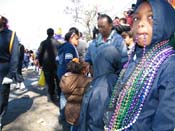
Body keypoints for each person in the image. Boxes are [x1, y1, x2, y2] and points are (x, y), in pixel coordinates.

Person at [104, 0, 175, 131]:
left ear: (166, 21)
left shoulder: (169, 65)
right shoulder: (134, 57)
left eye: (151, 17)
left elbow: (165, 123)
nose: (141, 24)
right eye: (136, 18)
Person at [77, 14, 128, 131]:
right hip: (96, 82)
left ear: (110, 26)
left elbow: (124, 64)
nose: (100, 29)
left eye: (103, 26)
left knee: (104, 115)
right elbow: (88, 59)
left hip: (112, 84)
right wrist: (87, 65)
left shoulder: (118, 41)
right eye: (99, 27)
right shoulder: (94, 43)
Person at [60, 58, 92, 131]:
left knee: (73, 127)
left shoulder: (65, 79)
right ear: (82, 69)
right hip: (81, 110)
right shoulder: (87, 80)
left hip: (69, 109)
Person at [57, 27, 80, 131]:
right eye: (77, 38)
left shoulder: (62, 46)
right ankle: (66, 116)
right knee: (68, 97)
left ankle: (63, 115)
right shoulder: (70, 47)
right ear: (71, 37)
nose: (78, 41)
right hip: (68, 75)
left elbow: (57, 60)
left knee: (63, 95)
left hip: (61, 74)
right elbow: (68, 62)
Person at [0, 14, 19, 130]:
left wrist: (11, 74)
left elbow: (15, 55)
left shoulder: (11, 35)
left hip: (3, 69)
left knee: (1, 97)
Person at [38, 28, 60, 104]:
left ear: (47, 33)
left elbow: (39, 54)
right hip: (56, 64)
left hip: (46, 65)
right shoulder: (58, 43)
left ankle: (50, 97)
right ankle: (59, 95)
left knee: (48, 81)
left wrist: (40, 64)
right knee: (58, 80)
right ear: (53, 33)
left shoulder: (43, 43)